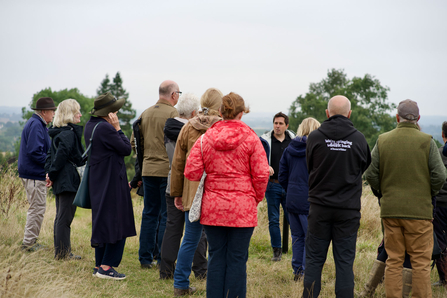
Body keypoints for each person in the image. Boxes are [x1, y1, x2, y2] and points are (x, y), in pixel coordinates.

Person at [184, 92, 269, 298]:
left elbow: (191, 172)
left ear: (221, 112)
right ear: (242, 113)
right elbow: (261, 174)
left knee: (216, 256)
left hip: (213, 208)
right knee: (238, 259)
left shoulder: (206, 138)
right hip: (242, 207)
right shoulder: (251, 138)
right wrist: (255, 197)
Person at [365, 99, 446, 297]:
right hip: (420, 213)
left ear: (397, 117)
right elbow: (440, 176)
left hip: (391, 210)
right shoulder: (427, 141)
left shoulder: (383, 140)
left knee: (393, 260)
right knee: (420, 262)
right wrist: (428, 194)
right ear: (418, 118)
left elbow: (370, 174)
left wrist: (384, 193)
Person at [303, 95, 371, 298]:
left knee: (314, 259)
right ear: (349, 114)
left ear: (327, 113)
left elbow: (309, 167)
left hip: (319, 208)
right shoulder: (358, 139)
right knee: (344, 262)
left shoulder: (314, 137)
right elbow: (364, 167)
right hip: (348, 210)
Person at [170, 88, 223, 296]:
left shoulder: (189, 127)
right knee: (217, 242)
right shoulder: (223, 128)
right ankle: (216, 283)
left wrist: (177, 193)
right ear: (220, 107)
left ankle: (180, 284)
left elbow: (178, 163)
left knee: (190, 239)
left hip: (191, 191)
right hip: (216, 192)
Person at [86, 92, 137, 280]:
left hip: (98, 182)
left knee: (102, 221)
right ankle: (106, 267)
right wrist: (118, 129)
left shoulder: (90, 125)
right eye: (114, 110)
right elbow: (126, 149)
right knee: (117, 223)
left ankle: (100, 264)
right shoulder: (106, 129)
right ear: (108, 113)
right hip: (111, 183)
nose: (116, 112)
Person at [159, 93, 208, 280]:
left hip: (172, 183)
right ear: (194, 112)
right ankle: (201, 270)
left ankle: (166, 270)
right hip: (191, 185)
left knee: (172, 228)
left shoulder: (168, 127)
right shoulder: (192, 130)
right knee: (195, 230)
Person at [132, 80, 180, 268]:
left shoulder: (145, 113)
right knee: (166, 215)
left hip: (147, 170)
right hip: (166, 171)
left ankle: (145, 258)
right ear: (174, 95)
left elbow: (134, 142)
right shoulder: (173, 114)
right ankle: (162, 259)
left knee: (149, 214)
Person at [278, 117, 320, 281]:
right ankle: (305, 271)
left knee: (297, 237)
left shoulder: (289, 149)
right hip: (310, 199)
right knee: (310, 236)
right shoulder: (317, 150)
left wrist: (291, 190)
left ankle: (297, 270)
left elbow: (282, 175)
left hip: (292, 198)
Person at [44, 99, 84, 260]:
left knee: (61, 216)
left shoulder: (59, 132)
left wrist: (49, 174)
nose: (80, 114)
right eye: (77, 112)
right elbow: (60, 156)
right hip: (67, 180)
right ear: (70, 114)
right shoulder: (68, 134)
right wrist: (51, 174)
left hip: (61, 179)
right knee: (64, 218)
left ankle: (62, 251)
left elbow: (50, 156)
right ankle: (62, 253)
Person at [18, 97, 56, 251]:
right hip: (34, 174)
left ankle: (30, 241)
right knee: (37, 208)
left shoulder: (38, 124)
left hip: (33, 173)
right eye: (52, 111)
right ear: (44, 111)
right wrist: (49, 166)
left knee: (37, 207)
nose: (54, 113)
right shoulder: (36, 125)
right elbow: (35, 152)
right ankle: (28, 243)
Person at [260, 112, 295, 261]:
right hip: (272, 185)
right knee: (273, 219)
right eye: (275, 123)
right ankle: (277, 251)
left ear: (286, 126)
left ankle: (299, 248)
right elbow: (257, 158)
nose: (277, 126)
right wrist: (265, 166)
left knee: (293, 218)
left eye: (281, 123)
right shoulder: (266, 141)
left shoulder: (293, 140)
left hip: (289, 186)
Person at [433, 121, 447, 287]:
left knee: (440, 241)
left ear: (443, 135)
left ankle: (444, 278)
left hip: (440, 204)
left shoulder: (436, 154)